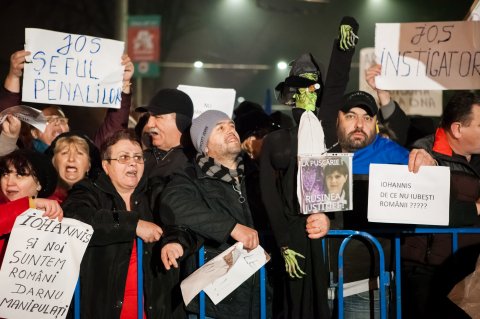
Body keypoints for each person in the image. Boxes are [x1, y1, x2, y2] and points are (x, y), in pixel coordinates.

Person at [259, 16, 358, 319]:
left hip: (319, 231)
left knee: (321, 303)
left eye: (314, 84)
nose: (309, 91)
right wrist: (285, 243)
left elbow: (339, 78)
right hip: (291, 231)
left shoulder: (326, 128)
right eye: (302, 85)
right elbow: (269, 195)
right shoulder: (276, 140)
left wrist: (347, 30)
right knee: (292, 303)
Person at [159, 110, 260, 319]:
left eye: (231, 125)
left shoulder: (258, 174)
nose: (230, 130)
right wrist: (231, 227)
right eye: (220, 128)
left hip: (262, 298)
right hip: (216, 305)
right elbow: (174, 203)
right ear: (204, 146)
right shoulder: (191, 177)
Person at [62, 129, 164, 319]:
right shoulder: (88, 190)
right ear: (106, 166)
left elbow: (180, 222)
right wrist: (133, 224)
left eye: (138, 157)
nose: (133, 162)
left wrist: (177, 240)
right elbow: (77, 217)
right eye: (124, 157)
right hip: (104, 307)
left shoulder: (155, 193)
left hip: (151, 308)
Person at [403, 91, 480, 319]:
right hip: (429, 274)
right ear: (457, 129)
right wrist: (475, 209)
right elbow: (432, 210)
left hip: (471, 270)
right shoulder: (422, 154)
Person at [0, 49, 134, 152]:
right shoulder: (24, 159)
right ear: (34, 133)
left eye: (62, 120)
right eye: (49, 120)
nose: (58, 122)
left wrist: (124, 83)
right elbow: (8, 120)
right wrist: (14, 76)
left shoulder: (87, 154)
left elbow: (112, 133)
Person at [0, 149, 62, 263]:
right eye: (5, 174)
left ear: (39, 184)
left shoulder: (57, 215)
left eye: (20, 175)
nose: (9, 182)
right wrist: (30, 204)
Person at [46, 131, 102, 199]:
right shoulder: (38, 199)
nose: (71, 159)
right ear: (54, 163)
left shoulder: (101, 200)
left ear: (88, 166)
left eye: (79, 153)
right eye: (64, 153)